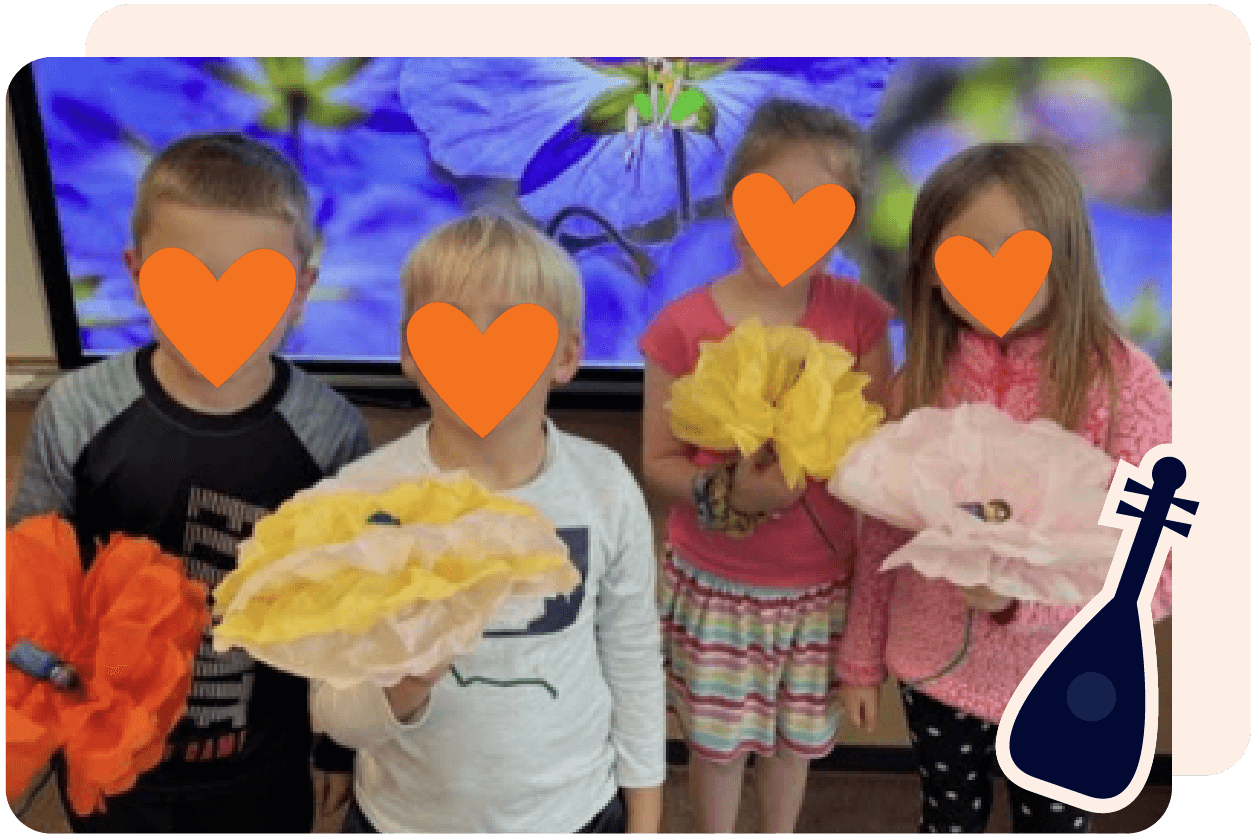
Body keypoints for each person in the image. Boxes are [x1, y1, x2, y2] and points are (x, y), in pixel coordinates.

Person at [6, 132, 371, 832]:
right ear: (137, 272)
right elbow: (31, 588)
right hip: (113, 769)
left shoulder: (329, 432)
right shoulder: (79, 410)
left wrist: (335, 750)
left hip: (262, 769)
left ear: (300, 291)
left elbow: (341, 614)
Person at [836, 142, 1173, 834]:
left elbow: (1158, 567)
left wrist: (1021, 603)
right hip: (932, 673)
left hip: (1064, 679)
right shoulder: (918, 381)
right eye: (960, 256)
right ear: (929, 270)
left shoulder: (1123, 386)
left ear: (1066, 257)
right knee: (946, 819)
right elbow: (879, 534)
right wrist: (860, 655)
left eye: (1019, 254)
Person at [310, 211, 666, 834]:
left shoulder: (604, 487)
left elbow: (632, 659)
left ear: (566, 356)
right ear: (410, 356)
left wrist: (646, 816)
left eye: (511, 330)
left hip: (573, 812)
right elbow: (336, 714)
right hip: (407, 820)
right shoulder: (361, 499)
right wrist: (401, 684)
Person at [639, 99, 895, 834]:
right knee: (715, 751)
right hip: (716, 589)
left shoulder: (860, 317)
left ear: (842, 223)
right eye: (766, 200)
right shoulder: (682, 324)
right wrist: (726, 488)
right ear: (734, 199)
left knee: (795, 745)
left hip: (819, 592)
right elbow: (657, 461)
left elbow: (878, 452)